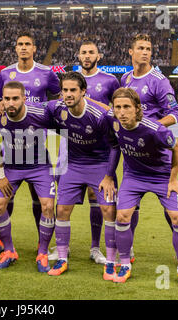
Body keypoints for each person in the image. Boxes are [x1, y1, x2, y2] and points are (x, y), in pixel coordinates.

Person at [107, 87, 178, 287]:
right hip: (134, 176)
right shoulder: (112, 122)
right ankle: (126, 264)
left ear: (137, 108)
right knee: (122, 216)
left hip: (162, 176)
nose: (121, 112)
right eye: (117, 107)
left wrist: (173, 179)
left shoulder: (155, 129)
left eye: (126, 107)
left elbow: (177, 149)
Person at [45, 72, 119, 277]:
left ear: (83, 92)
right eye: (65, 90)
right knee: (62, 210)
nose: (68, 94)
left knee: (109, 211)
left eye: (73, 90)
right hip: (73, 165)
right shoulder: (56, 109)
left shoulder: (99, 116)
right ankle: (62, 259)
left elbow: (115, 146)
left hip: (100, 165)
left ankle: (111, 261)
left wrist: (109, 176)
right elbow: (36, 112)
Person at [0, 31, 60, 255]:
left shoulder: (46, 73)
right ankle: (3, 241)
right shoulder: (5, 74)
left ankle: (42, 244)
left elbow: (58, 98)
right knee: (5, 192)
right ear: (15, 48)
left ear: (34, 48)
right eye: (20, 44)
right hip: (12, 141)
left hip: (37, 137)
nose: (23, 48)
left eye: (27, 44)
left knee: (40, 198)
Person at [120, 34, 178, 261]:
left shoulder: (159, 80)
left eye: (148, 48)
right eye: (140, 48)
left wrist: (149, 127)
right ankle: (129, 250)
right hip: (133, 156)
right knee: (129, 207)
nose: (145, 52)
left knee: (171, 209)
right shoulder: (125, 78)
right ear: (131, 51)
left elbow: (175, 114)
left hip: (157, 155)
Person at [0, 81, 55, 272]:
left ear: (24, 99)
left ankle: (42, 252)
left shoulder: (40, 114)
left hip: (39, 166)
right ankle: (9, 250)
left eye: (15, 98)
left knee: (48, 206)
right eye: (7, 98)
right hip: (11, 167)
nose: (11, 103)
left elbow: (62, 128)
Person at [73, 40, 120, 264]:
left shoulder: (110, 81)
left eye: (91, 52)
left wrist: (90, 102)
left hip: (101, 149)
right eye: (84, 53)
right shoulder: (69, 79)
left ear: (98, 56)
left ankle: (95, 247)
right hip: (72, 148)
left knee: (98, 197)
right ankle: (61, 246)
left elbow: (117, 109)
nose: (87, 56)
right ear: (78, 56)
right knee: (62, 201)